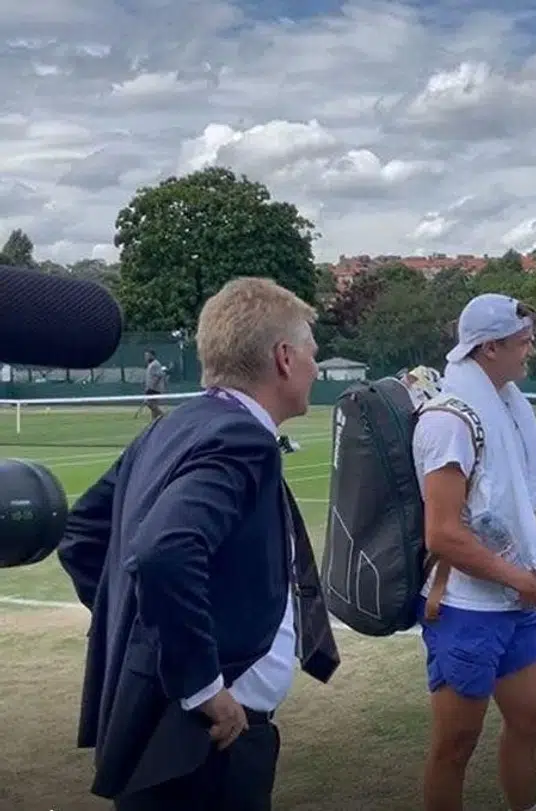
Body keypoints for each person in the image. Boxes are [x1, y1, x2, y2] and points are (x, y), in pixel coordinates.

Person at [56, 277, 341, 810]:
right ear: (284, 358)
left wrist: (147, 630)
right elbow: (165, 550)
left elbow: (82, 536)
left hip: (165, 730)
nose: (316, 367)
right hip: (205, 744)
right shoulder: (240, 438)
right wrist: (201, 681)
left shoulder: (171, 428)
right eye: (312, 352)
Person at [413, 293, 536, 811]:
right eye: (523, 342)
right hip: (464, 608)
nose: (531, 350)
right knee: (455, 744)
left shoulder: (508, 407)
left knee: (529, 717)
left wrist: (534, 570)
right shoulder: (448, 420)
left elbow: (509, 510)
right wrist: (520, 579)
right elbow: (443, 535)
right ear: (490, 348)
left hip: (511, 602)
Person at [142, 348, 168, 421]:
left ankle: (164, 417)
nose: (146, 357)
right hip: (151, 388)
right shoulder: (150, 364)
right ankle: (154, 421)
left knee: (149, 403)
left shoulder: (155, 364)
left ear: (152, 356)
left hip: (154, 388)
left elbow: (159, 376)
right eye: (145, 356)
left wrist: (151, 387)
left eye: (148, 355)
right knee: (153, 406)